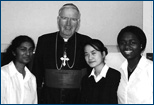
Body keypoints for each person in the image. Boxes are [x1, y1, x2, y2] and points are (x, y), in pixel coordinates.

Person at [32, 3, 91, 104]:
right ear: (58, 19)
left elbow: (91, 76)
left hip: (77, 99)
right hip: (48, 98)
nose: (68, 24)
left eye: (73, 19)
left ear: (78, 22)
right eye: (64, 18)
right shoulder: (44, 41)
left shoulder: (86, 42)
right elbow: (36, 74)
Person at [117, 25, 153, 104]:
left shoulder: (151, 69)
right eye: (123, 43)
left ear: (141, 45)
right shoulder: (120, 71)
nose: (127, 46)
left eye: (132, 42)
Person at [81, 39, 121, 104]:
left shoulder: (115, 76)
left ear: (103, 54)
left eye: (93, 53)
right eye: (86, 54)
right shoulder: (85, 79)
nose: (90, 57)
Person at [1, 35, 37, 104]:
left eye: (30, 50)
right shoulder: (3, 74)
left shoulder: (32, 78)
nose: (28, 53)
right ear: (14, 52)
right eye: (23, 49)